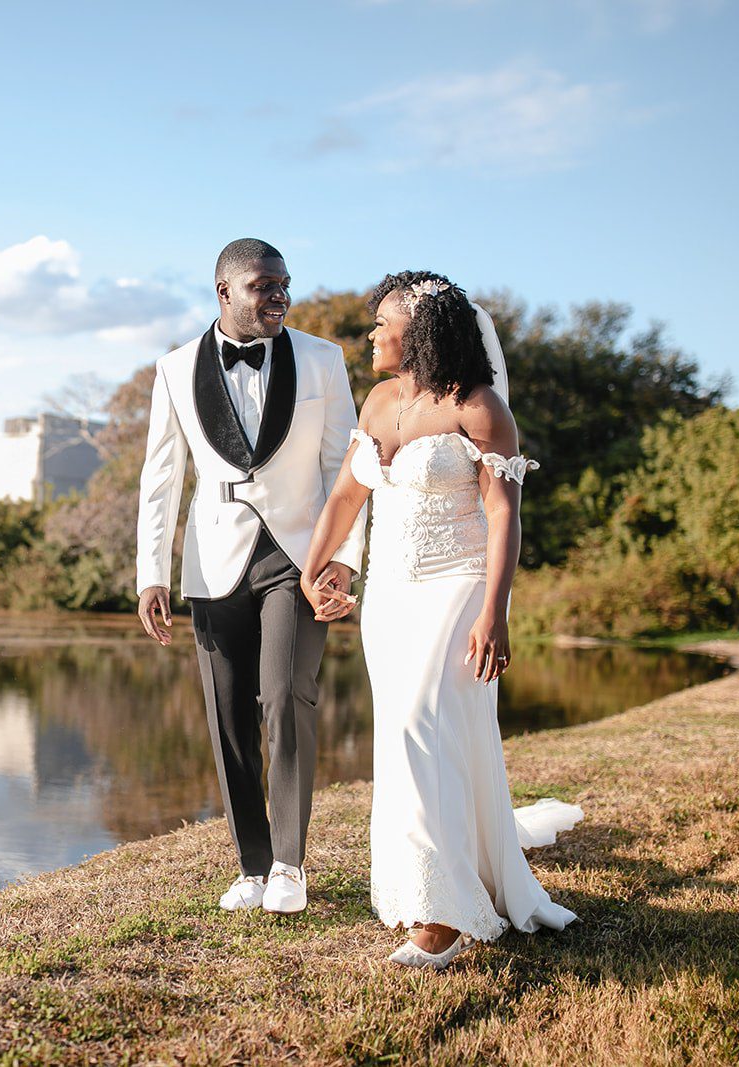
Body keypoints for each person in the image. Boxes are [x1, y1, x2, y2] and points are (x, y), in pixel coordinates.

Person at [301, 270, 583, 968]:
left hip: (457, 587)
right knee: (407, 742)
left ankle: (444, 920)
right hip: (389, 595)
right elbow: (344, 496)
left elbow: (502, 513)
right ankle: (426, 883)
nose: (372, 333)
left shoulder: (479, 407)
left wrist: (494, 610)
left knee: (418, 724)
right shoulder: (378, 402)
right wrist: (314, 567)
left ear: (418, 330)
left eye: (382, 323)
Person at [135, 239, 366, 913]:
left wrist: (343, 561)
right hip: (213, 560)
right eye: (265, 285)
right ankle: (253, 866)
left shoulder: (324, 358)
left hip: (301, 554)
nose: (280, 296)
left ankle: (291, 864)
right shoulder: (175, 368)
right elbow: (160, 478)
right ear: (225, 292)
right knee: (228, 713)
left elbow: (344, 470)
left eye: (285, 285)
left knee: (286, 695)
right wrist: (151, 571)